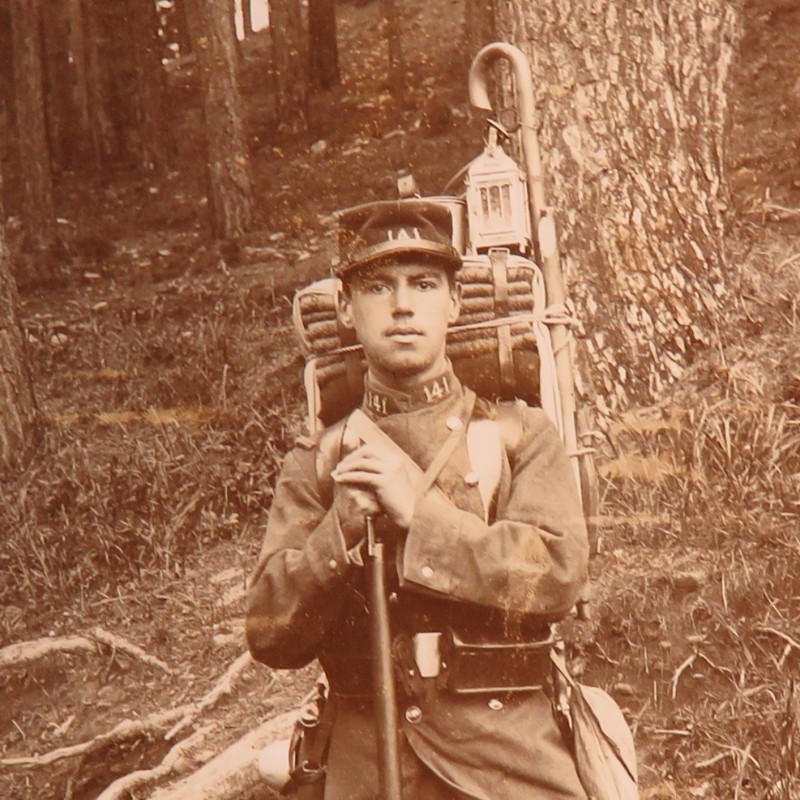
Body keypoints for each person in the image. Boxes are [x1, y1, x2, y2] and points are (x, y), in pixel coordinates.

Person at [246, 199, 590, 799]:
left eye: (424, 284)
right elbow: (270, 635)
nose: (402, 306)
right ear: (348, 310)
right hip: (362, 756)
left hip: (504, 753)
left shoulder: (517, 434)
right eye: (378, 287)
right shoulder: (319, 461)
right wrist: (339, 531)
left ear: (453, 303)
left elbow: (559, 574)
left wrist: (420, 515)